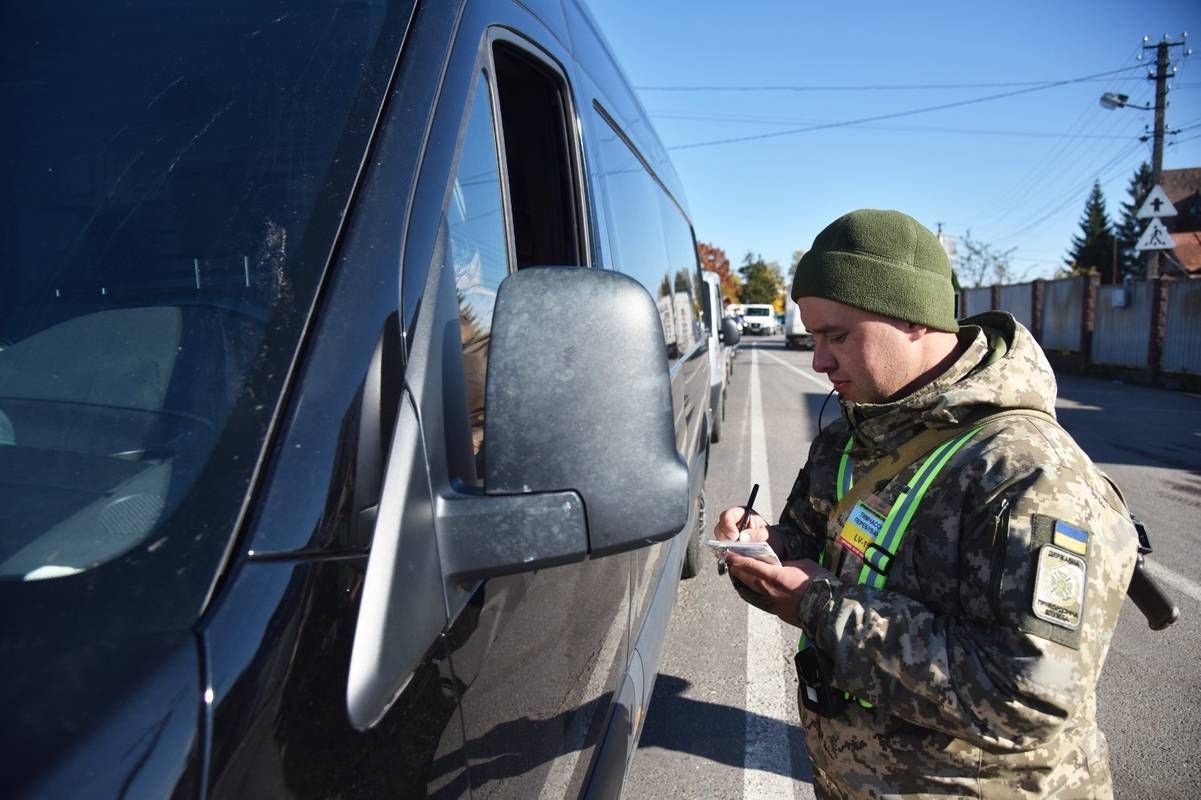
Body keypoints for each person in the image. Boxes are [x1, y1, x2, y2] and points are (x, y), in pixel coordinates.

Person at [715, 209, 1137, 799]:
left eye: (836, 335)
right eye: (814, 336)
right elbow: (814, 540)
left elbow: (1026, 695)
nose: (818, 359)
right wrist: (764, 546)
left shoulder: (1026, 470)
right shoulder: (854, 431)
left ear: (913, 319)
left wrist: (817, 605)